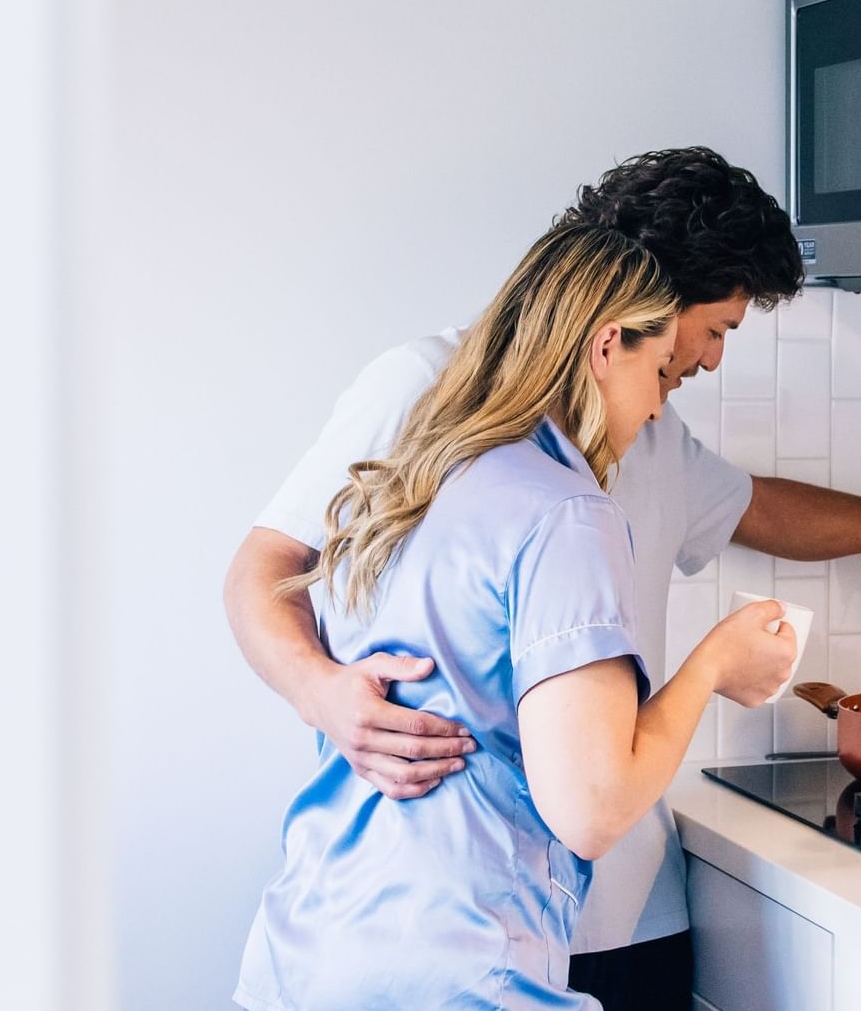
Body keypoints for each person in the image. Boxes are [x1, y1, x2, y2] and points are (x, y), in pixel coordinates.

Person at [224, 147, 861, 1007]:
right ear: (632, 312)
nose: (711, 362)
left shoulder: (634, 436)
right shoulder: (445, 408)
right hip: (481, 920)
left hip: (577, 911)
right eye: (715, 329)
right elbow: (263, 569)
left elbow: (752, 507)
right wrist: (322, 693)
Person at [236, 222, 798, 1011]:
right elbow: (594, 809)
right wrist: (712, 665)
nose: (659, 405)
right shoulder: (566, 511)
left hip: (308, 953)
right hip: (459, 972)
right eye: (660, 368)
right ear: (607, 348)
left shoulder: (421, 476)